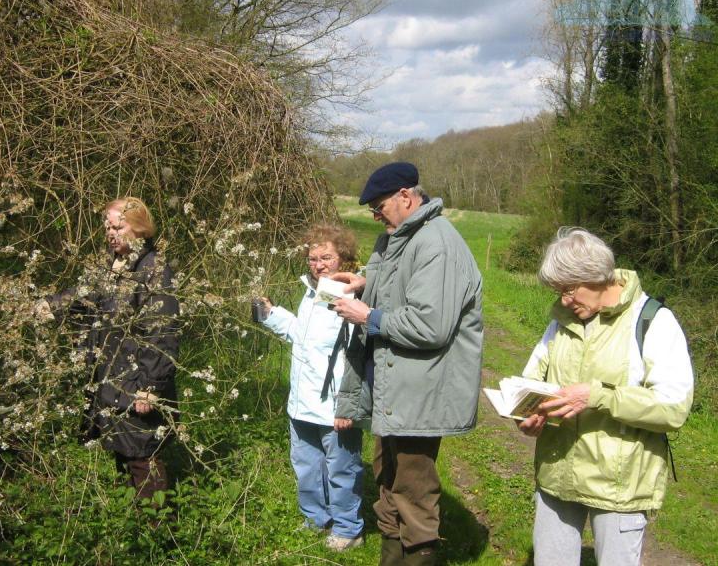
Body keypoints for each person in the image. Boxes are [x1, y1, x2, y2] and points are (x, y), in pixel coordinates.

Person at [331, 162, 484, 565]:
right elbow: (401, 288)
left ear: (406, 196)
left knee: (413, 490)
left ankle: (419, 557)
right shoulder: (396, 237)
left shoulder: (437, 242)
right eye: (372, 211)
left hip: (422, 390)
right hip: (393, 388)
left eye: (380, 207)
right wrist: (364, 283)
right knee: (388, 482)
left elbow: (430, 325)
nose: (376, 216)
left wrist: (369, 316)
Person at [518, 227, 693, 566]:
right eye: (559, 291)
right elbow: (532, 378)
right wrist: (527, 412)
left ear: (598, 276)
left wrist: (598, 397)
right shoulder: (560, 322)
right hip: (557, 475)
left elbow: (673, 408)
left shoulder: (653, 321)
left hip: (619, 486)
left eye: (569, 289)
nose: (564, 300)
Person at [47, 197, 180, 500]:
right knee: (122, 450)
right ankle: (132, 525)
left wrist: (150, 386)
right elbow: (83, 296)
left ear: (140, 229)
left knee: (142, 456)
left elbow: (163, 333)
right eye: (107, 226)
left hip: (136, 381)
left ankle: (160, 534)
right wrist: (47, 307)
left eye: (118, 226)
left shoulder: (154, 271)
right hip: (112, 376)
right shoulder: (110, 265)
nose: (110, 232)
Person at [256, 224, 365, 552]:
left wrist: (347, 406)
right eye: (313, 258)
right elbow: (303, 336)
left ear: (343, 259)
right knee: (306, 467)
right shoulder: (312, 291)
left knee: (342, 471)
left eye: (326, 257)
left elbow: (356, 355)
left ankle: (348, 529)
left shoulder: (352, 296)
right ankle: (315, 518)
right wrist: (269, 313)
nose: (318, 265)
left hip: (334, 407)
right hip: (302, 403)